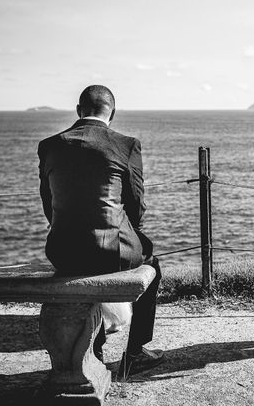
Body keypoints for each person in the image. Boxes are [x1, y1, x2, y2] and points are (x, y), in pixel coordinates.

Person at [37, 84, 164, 377]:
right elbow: (137, 207)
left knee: (88, 263)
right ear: (113, 113)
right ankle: (135, 354)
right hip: (111, 252)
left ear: (79, 111)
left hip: (62, 252)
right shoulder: (125, 144)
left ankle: (94, 348)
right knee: (152, 265)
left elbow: (49, 203)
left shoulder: (50, 145)